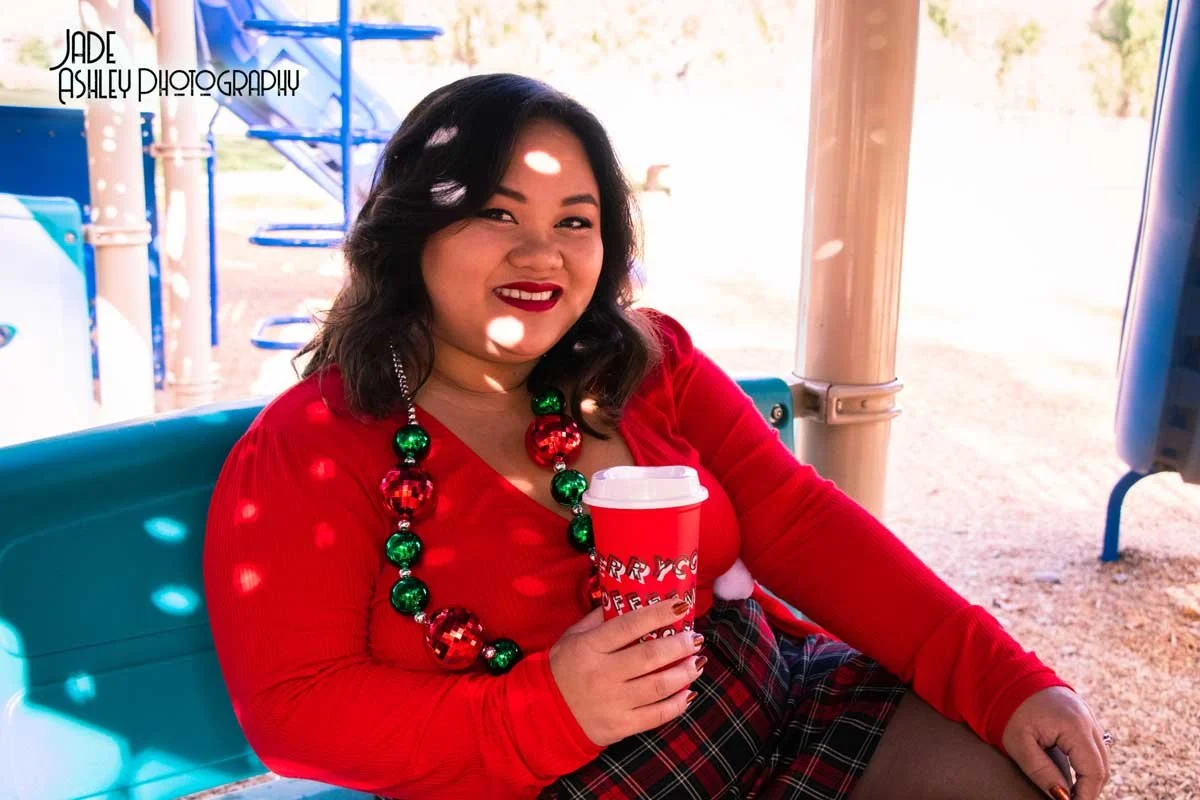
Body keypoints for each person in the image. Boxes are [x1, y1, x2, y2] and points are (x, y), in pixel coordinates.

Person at [203, 74, 1111, 800]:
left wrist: (1004, 680)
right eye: (498, 213)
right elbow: (294, 709)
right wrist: (551, 709)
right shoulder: (313, 445)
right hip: (546, 778)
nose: (541, 254)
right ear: (413, 232)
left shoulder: (646, 360)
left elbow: (800, 523)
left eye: (575, 221)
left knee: (1006, 779)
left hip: (775, 704)